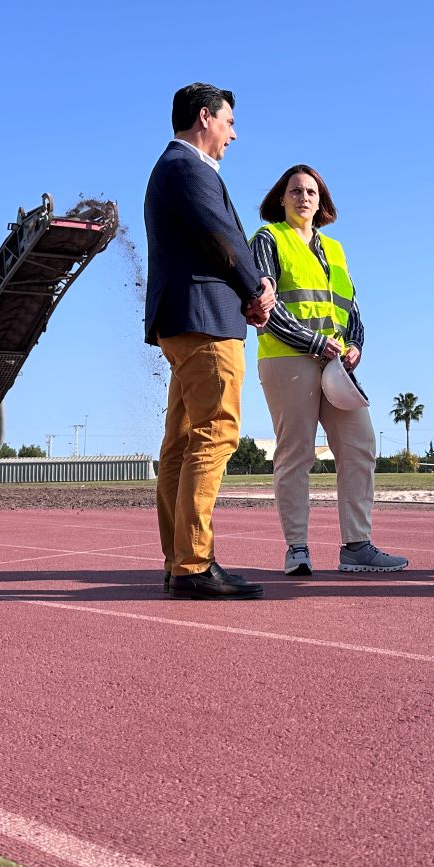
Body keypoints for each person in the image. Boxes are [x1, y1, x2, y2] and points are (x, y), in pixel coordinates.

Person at [143, 83, 275, 600]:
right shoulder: (187, 168)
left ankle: (181, 559)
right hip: (205, 321)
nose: (234, 134)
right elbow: (220, 235)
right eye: (229, 122)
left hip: (182, 320)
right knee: (216, 433)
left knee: (180, 441)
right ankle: (193, 564)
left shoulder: (171, 169)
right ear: (205, 118)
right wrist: (256, 287)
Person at [249, 165, 408, 575]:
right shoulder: (268, 240)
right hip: (289, 358)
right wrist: (314, 342)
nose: (304, 197)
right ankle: (297, 549)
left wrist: (355, 344)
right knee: (296, 452)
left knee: (359, 445)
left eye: (312, 192)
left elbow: (352, 307)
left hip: (335, 363)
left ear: (321, 203)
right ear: (281, 198)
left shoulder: (335, 250)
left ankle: (356, 546)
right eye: (296, 191)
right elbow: (267, 306)